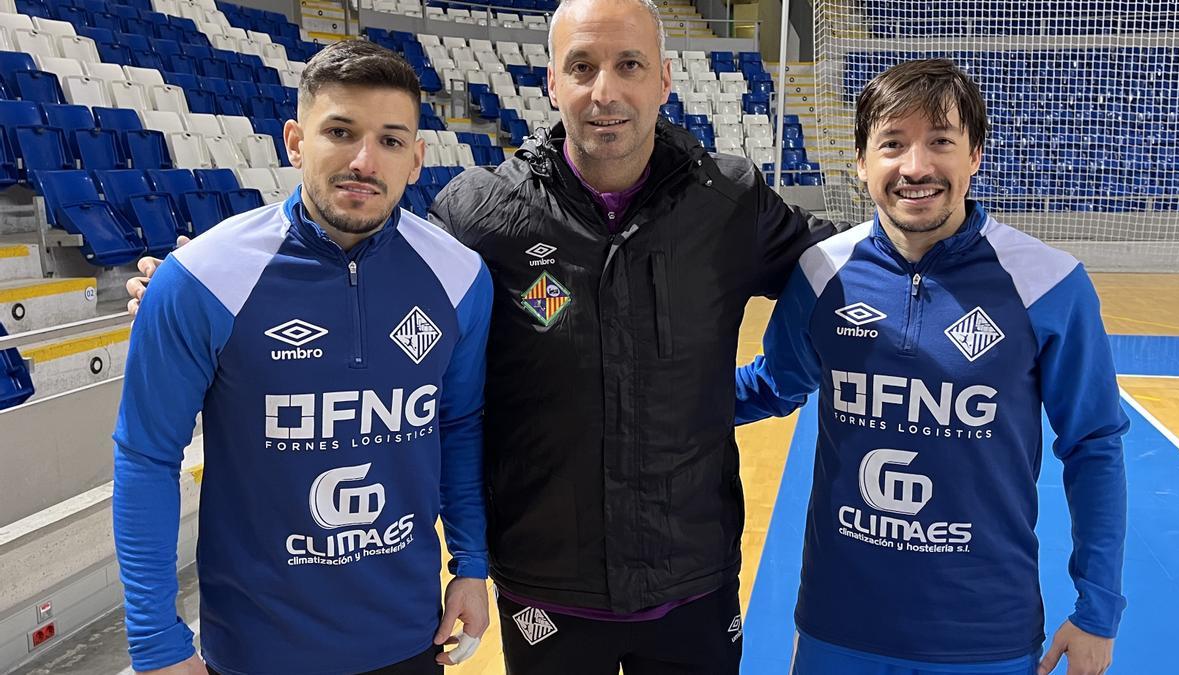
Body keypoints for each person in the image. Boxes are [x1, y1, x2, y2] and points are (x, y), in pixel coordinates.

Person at [128, 1, 843, 671]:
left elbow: (836, 275)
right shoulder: (479, 212)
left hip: (695, 571)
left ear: (663, 79)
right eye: (584, 67)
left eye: (628, 65)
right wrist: (194, 281)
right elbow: (368, 265)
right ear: (552, 81)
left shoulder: (730, 199)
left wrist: (759, 388)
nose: (605, 91)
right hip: (544, 580)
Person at [735, 58, 1128, 675]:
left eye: (940, 141)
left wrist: (1097, 611)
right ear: (862, 162)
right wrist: (629, 394)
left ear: (974, 155)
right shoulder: (821, 274)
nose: (916, 167)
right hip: (840, 626)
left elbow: (1094, 444)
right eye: (892, 143)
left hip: (984, 632)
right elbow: (771, 385)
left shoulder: (1049, 284)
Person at [113, 40, 491, 675]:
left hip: (407, 637)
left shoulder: (459, 279)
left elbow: (459, 428)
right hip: (255, 649)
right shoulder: (202, 278)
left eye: (392, 141)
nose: (365, 161)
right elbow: (147, 457)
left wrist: (472, 567)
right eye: (339, 132)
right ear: (294, 140)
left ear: (418, 159)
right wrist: (156, 640)